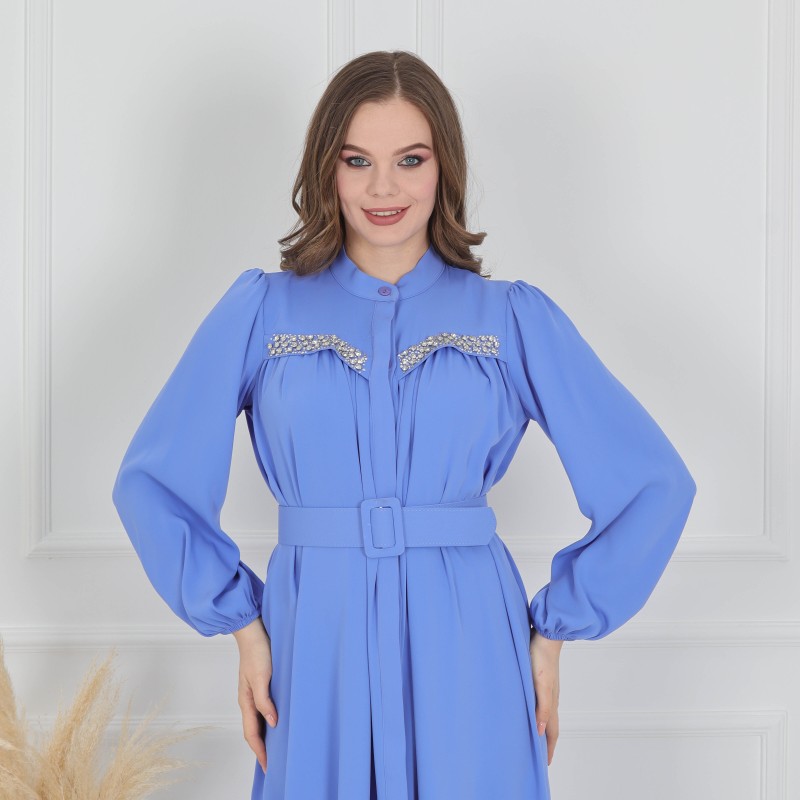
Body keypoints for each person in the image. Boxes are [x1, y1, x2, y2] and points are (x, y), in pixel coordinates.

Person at [112, 49, 697, 800]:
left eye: (409, 160)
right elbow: (152, 482)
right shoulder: (261, 312)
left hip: (469, 643)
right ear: (326, 168)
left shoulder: (509, 319)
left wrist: (554, 633)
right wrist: (243, 627)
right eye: (357, 160)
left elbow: (653, 484)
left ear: (443, 167)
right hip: (314, 642)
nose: (382, 187)